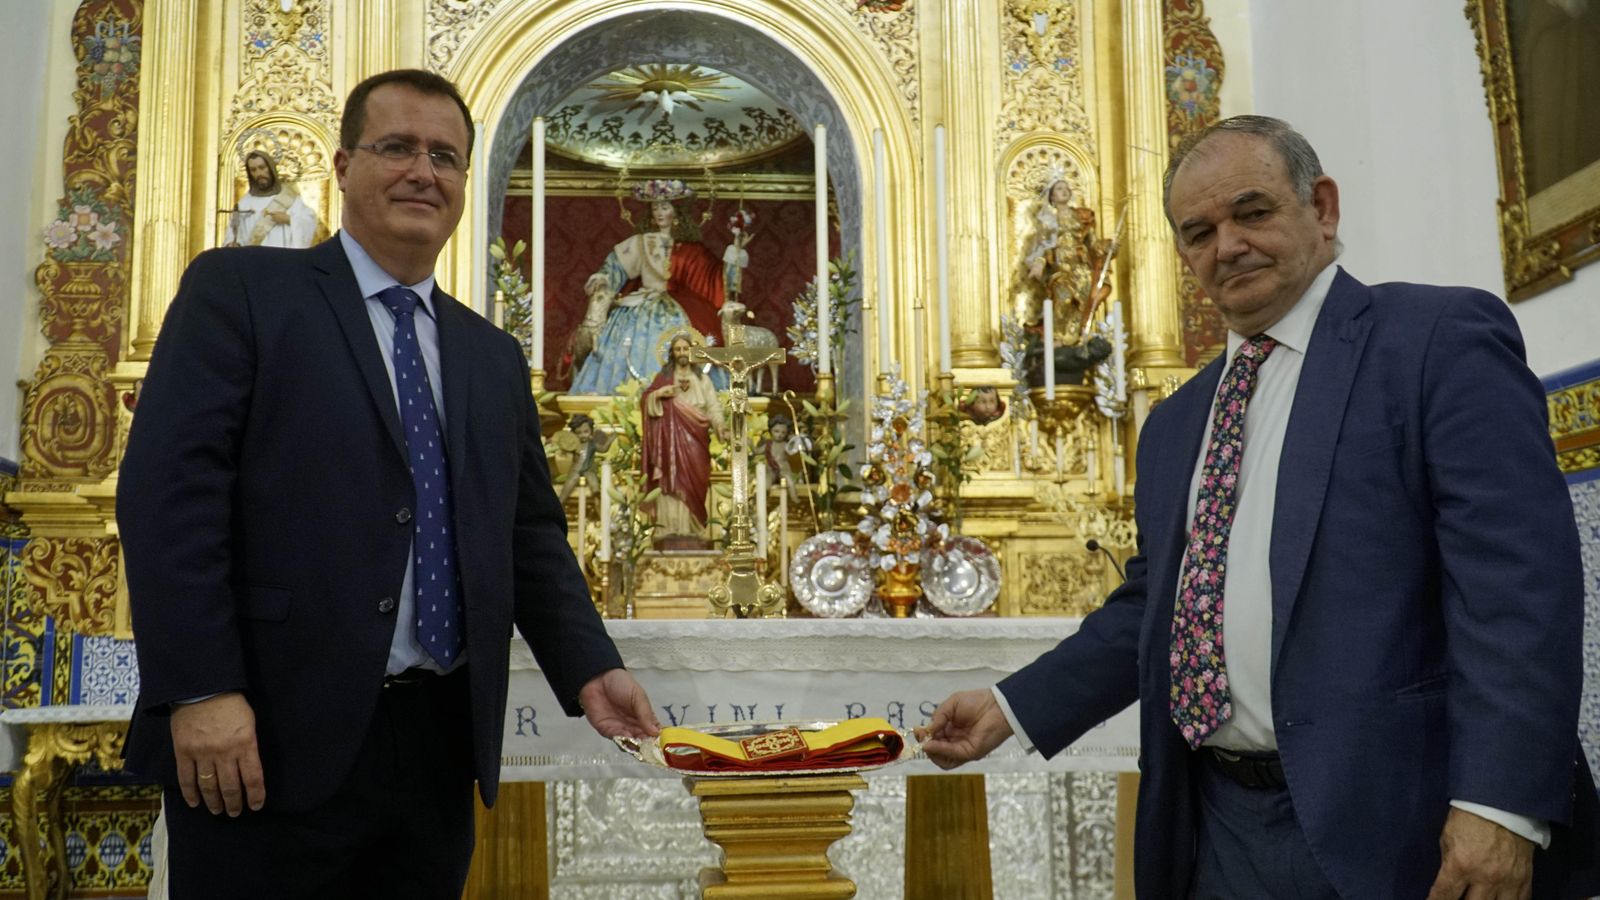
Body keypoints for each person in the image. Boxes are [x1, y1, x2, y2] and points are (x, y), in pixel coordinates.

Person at [918, 116, 1600, 899]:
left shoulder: (1432, 342)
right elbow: (1155, 606)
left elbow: (1516, 588)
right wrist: (1012, 707)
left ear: (1323, 207)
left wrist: (1501, 806)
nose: (1228, 246)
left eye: (1253, 212)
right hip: (1216, 824)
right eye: (1199, 232)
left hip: (1400, 822)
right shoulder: (1176, 424)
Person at [117, 69, 660, 898]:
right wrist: (201, 690)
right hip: (265, 738)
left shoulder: (491, 357)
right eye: (397, 147)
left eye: (445, 156)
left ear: (466, 184)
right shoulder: (244, 293)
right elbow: (170, 502)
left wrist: (590, 667)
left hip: (434, 750)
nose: (422, 171)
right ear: (341, 165)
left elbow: (528, 535)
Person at [568, 179, 741, 395]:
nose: (659, 213)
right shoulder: (639, 242)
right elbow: (615, 268)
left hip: (680, 310)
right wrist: (603, 279)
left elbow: (715, 275)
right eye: (656, 207)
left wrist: (736, 252)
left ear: (676, 212)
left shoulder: (690, 249)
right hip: (640, 307)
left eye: (665, 207)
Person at [641, 329, 727, 545]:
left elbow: (713, 407)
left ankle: (694, 527)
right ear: (671, 353)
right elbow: (646, 400)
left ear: (692, 351)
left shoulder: (703, 379)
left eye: (686, 349)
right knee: (669, 481)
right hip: (668, 439)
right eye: (678, 349)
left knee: (694, 481)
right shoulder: (664, 378)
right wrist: (660, 394)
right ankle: (667, 528)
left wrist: (721, 426)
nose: (682, 352)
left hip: (696, 438)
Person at [1022, 176, 1111, 342]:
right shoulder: (1048, 220)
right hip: (1059, 267)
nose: (1064, 191)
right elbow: (1042, 245)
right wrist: (1039, 264)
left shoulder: (1082, 217)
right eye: (1059, 188)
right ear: (1052, 197)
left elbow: (1092, 243)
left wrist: (1107, 247)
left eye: (1066, 188)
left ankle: (1077, 338)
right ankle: (1059, 338)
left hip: (1080, 266)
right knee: (1064, 298)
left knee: (1083, 303)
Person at [224, 150, 318, 248]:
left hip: (281, 259)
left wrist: (289, 219)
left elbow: (309, 222)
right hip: (252, 260)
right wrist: (233, 245)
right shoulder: (244, 204)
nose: (259, 173)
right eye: (253, 170)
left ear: (270, 168)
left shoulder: (290, 199)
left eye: (262, 167)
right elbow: (233, 236)